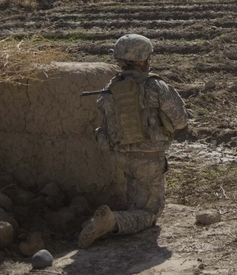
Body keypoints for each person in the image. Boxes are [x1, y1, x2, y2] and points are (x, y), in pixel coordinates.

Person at [78, 33, 188, 249]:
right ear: (142, 59)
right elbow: (180, 120)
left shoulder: (109, 88)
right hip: (149, 161)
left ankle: (104, 220)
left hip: (120, 158)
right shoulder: (154, 86)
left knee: (136, 200)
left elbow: (106, 123)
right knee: (150, 212)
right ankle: (112, 222)